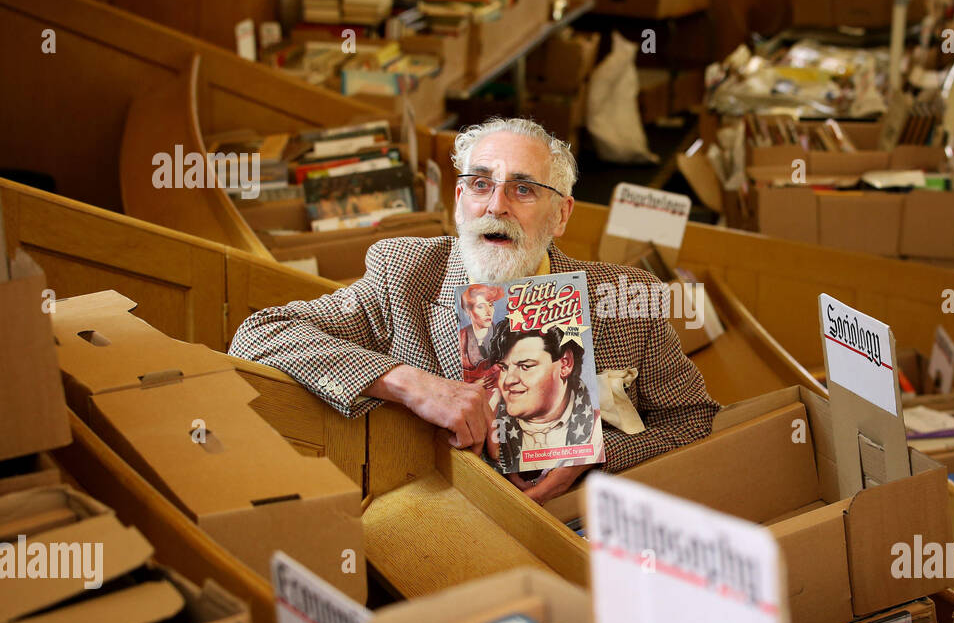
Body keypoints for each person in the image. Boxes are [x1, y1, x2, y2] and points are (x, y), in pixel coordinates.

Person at [228, 116, 719, 503]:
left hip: (581, 527)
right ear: (460, 198)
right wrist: (411, 384)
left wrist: (598, 454)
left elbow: (694, 420)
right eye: (481, 184)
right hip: (444, 522)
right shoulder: (405, 273)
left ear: (562, 214)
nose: (497, 205)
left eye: (523, 189)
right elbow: (261, 333)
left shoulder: (626, 296)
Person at [485, 322, 601, 472]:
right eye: (504, 368)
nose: (508, 380)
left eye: (525, 366)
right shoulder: (488, 414)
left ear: (565, 364)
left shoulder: (595, 427)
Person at [458, 283, 504, 385]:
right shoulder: (461, 337)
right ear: (468, 311)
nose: (488, 312)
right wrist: (474, 385)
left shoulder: (503, 334)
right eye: (480, 307)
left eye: (491, 305)